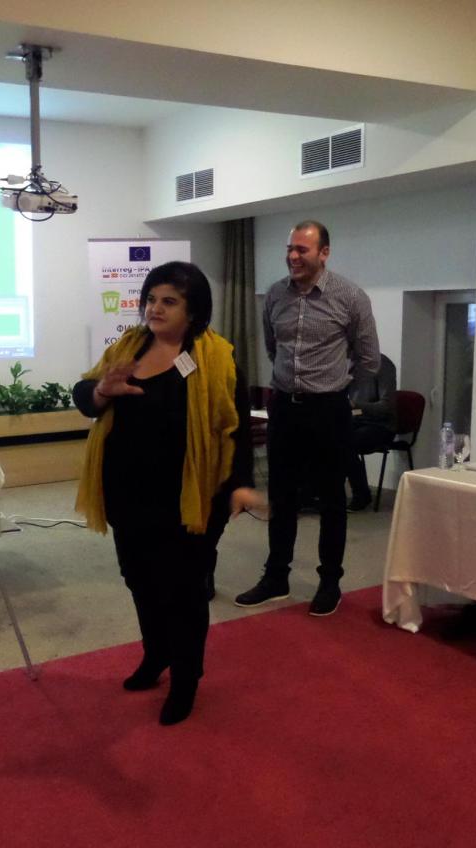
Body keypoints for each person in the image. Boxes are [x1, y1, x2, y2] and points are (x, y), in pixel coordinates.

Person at [73, 261, 259, 726]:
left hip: (190, 500)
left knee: (183, 591)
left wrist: (240, 483)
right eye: (151, 299)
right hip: (128, 495)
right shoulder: (128, 348)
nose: (155, 308)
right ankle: (156, 654)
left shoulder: (216, 359)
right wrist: (102, 391)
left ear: (193, 311)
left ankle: (185, 678)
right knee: (139, 580)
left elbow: (235, 429)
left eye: (169, 301)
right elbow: (84, 395)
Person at [235, 220, 380, 617]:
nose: (293, 256)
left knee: (332, 498)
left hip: (328, 409)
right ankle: (276, 577)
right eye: (290, 249)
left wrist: (338, 390)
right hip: (284, 405)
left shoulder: (350, 297)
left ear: (324, 253)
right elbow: (273, 347)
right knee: (282, 497)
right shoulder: (275, 295)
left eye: (302, 249)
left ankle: (329, 581)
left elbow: (369, 360)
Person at [345, 353, 397, 510]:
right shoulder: (347, 363)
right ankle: (311, 493)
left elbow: (386, 407)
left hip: (381, 425)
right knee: (324, 434)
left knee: (346, 443)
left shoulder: (383, 365)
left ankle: (362, 494)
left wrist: (355, 405)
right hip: (357, 419)